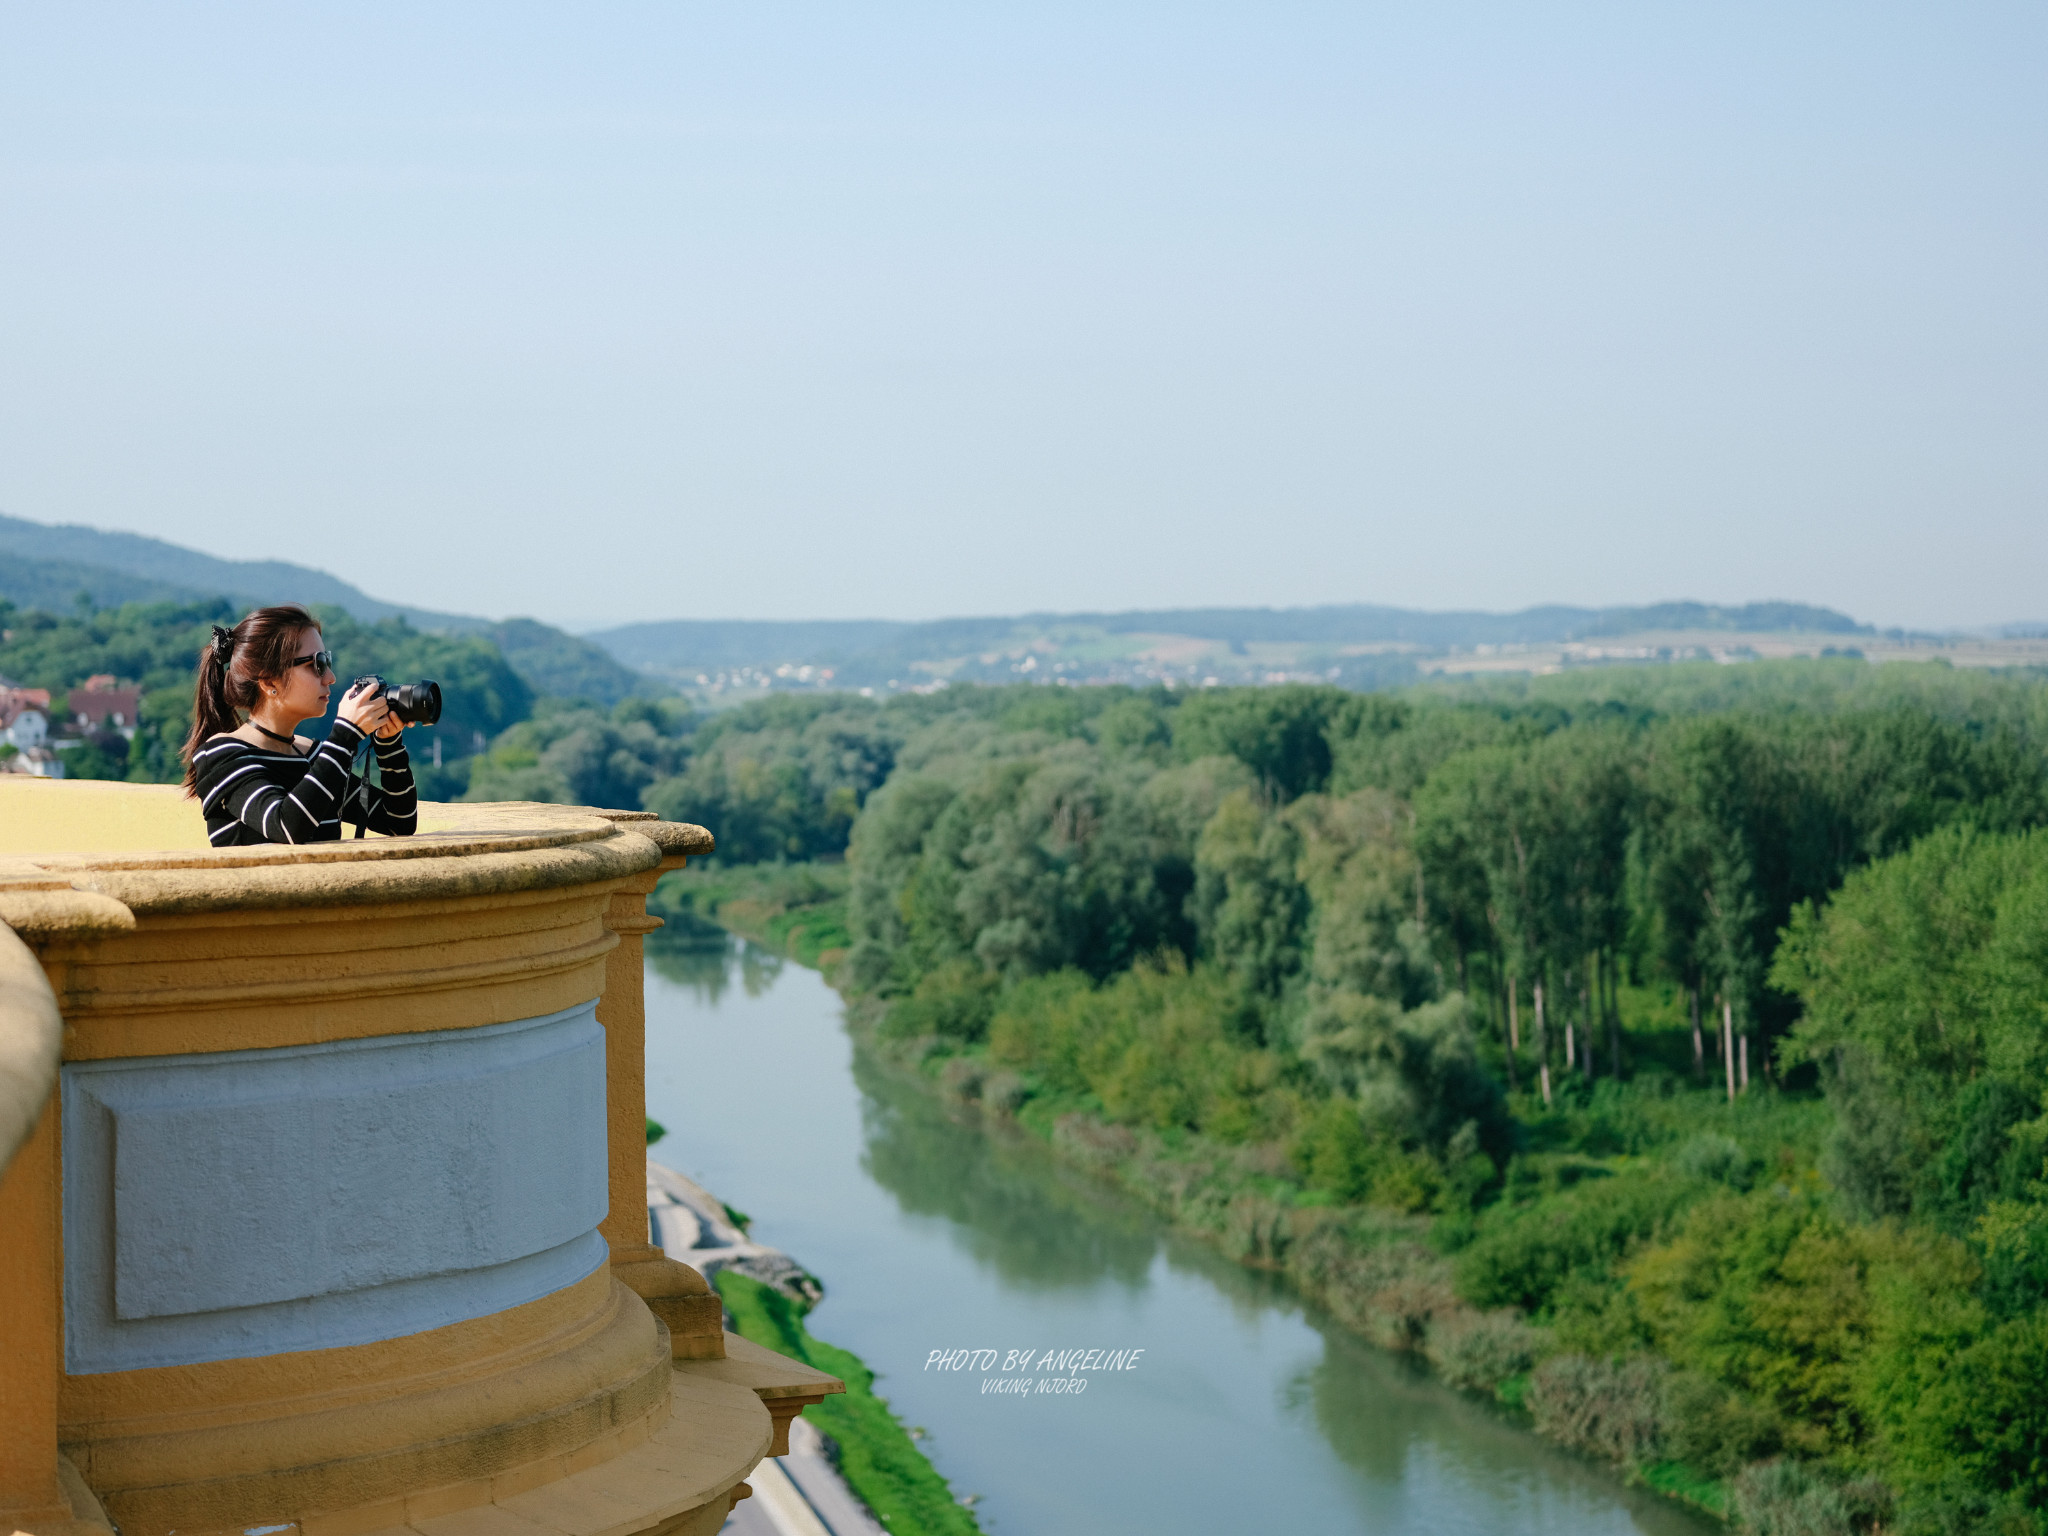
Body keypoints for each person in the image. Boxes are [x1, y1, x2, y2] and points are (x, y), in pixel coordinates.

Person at [182, 604, 419, 846]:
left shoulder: (314, 756)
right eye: (316, 664)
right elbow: (287, 826)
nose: (330, 677)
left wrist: (388, 745)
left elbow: (398, 822)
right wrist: (345, 735)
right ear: (269, 682)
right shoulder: (222, 757)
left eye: (327, 660)